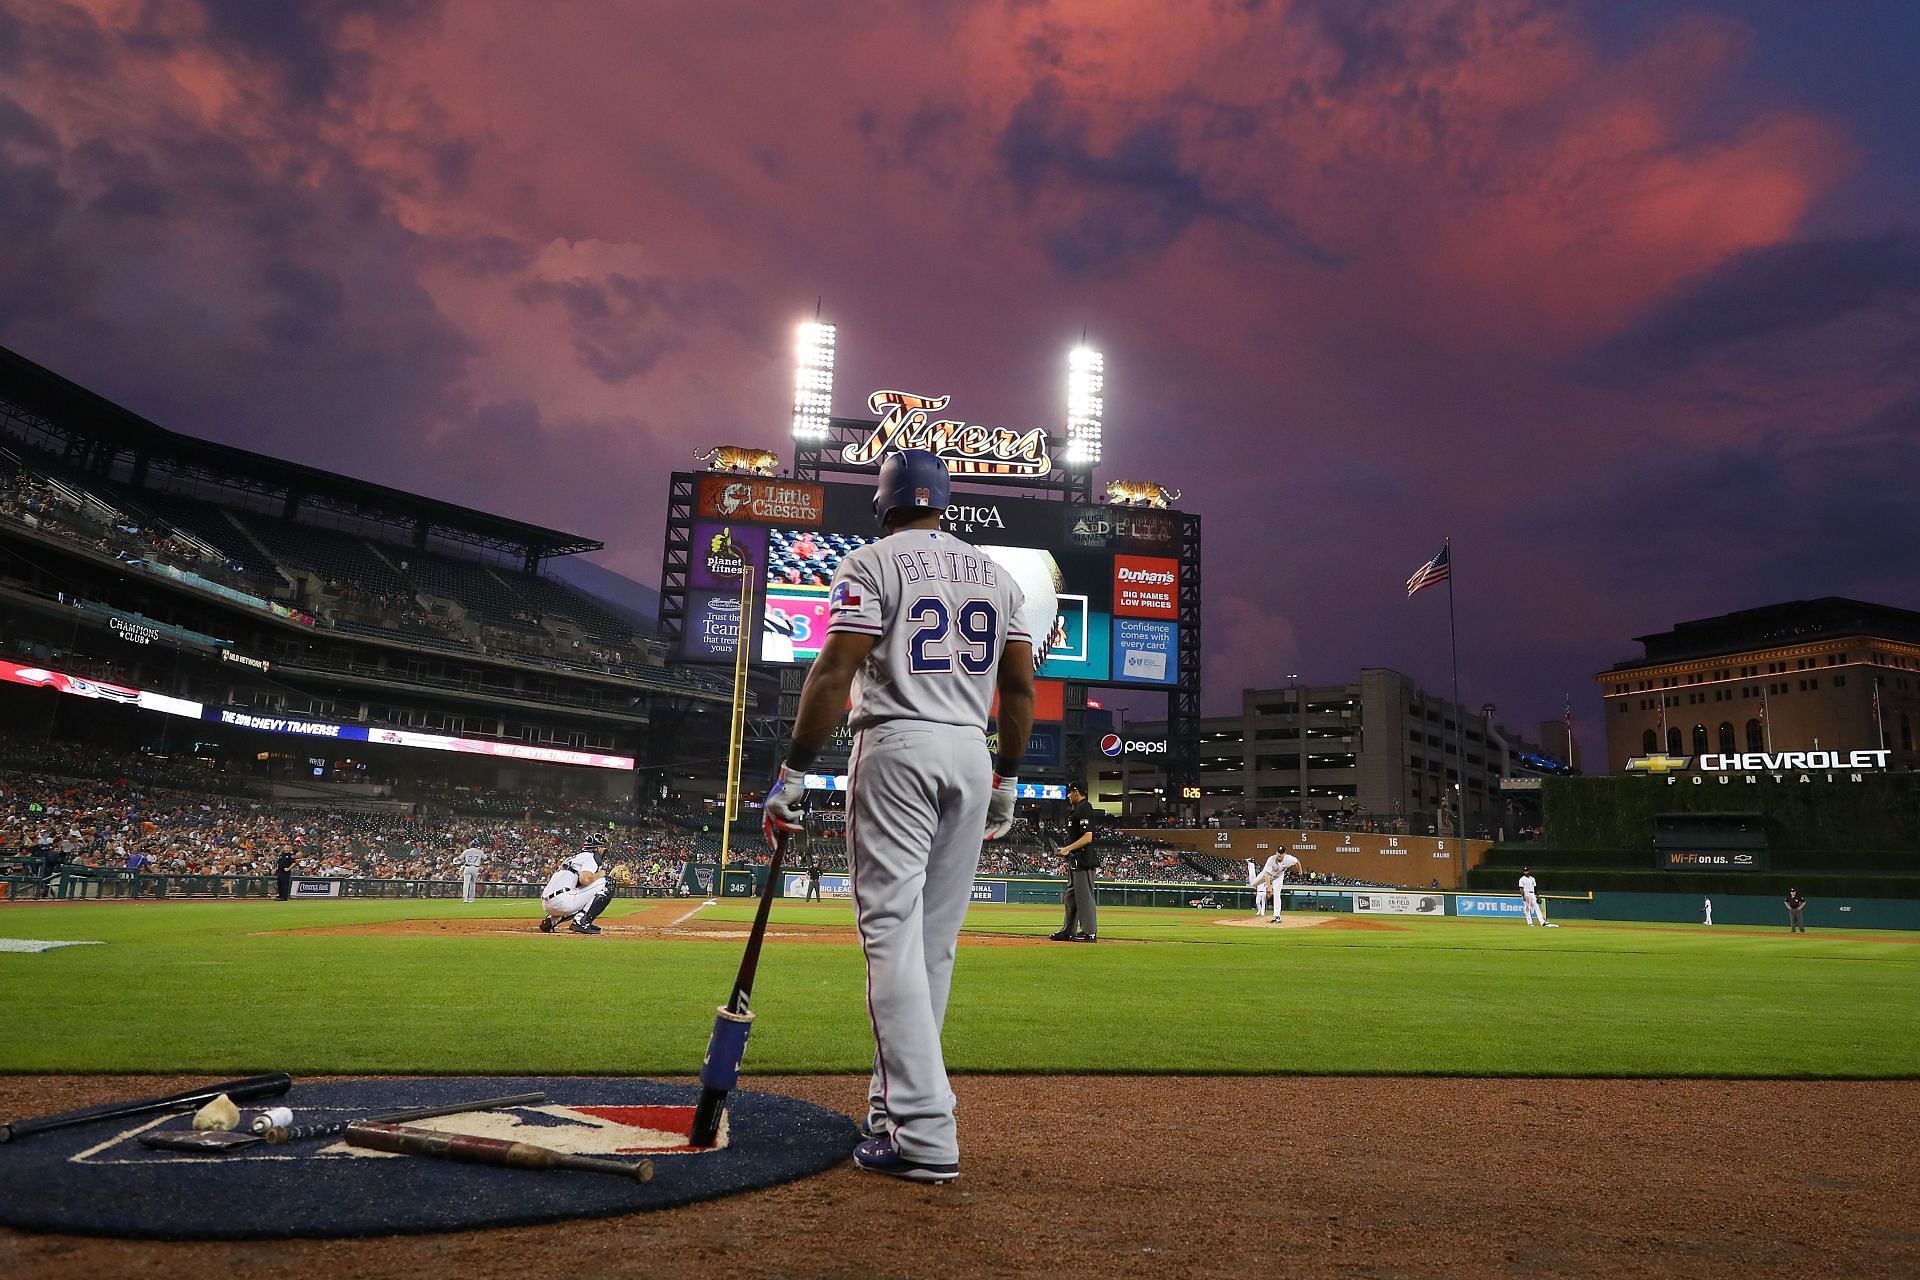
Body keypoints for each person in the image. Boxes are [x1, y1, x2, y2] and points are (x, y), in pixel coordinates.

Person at [762, 448, 1034, 1185]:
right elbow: (1018, 691)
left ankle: (926, 1131)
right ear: (945, 502)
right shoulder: (999, 576)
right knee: (934, 947)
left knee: (888, 936)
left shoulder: (871, 563)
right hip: (971, 757)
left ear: (883, 503)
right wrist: (1007, 777)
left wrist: (793, 769)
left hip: (898, 745)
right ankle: (891, 1112)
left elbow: (834, 670)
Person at [1050, 784, 1099, 942]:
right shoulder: (1077, 809)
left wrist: (1067, 848)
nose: (1068, 795)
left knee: (1084, 898)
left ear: (1077, 791)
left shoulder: (1085, 807)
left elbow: (1088, 837)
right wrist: (1066, 850)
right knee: (1071, 898)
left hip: (1084, 860)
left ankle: (1089, 933)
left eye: (1070, 792)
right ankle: (1068, 931)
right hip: (1075, 860)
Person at [539, 848, 613, 934]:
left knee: (585, 899)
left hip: (547, 904)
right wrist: (600, 874)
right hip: (563, 901)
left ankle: (552, 920)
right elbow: (584, 880)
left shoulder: (575, 858)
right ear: (597, 848)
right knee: (609, 882)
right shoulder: (591, 856)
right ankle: (581, 921)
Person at [1250, 851, 1300, 921]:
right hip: (1267, 874)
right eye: (1278, 852)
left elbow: (1297, 861)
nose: (1279, 854)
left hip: (1278, 876)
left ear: (1285, 854)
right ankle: (1251, 864)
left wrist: (1300, 872)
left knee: (1277, 894)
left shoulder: (1289, 859)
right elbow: (1266, 875)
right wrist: (1269, 887)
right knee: (1253, 884)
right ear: (1276, 853)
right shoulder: (1271, 859)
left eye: (1281, 853)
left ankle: (1277, 916)